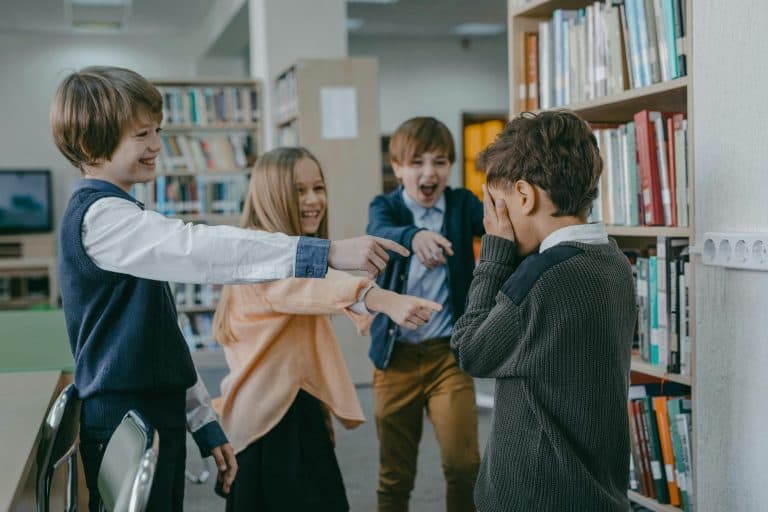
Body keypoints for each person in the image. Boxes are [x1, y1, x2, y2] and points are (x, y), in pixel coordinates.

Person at [50, 66, 408, 512]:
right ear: (91, 143)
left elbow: (161, 337)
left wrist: (202, 420)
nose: (156, 146)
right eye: (142, 134)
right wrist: (326, 251)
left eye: (157, 131)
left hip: (151, 413)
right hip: (126, 417)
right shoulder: (101, 219)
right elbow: (201, 248)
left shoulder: (122, 214)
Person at [211, 146, 442, 511]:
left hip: (293, 408)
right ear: (272, 195)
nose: (314, 200)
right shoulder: (259, 259)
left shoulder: (280, 253)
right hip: (267, 425)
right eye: (299, 190)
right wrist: (384, 300)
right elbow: (312, 287)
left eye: (318, 188)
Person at [450, 110, 636, 511]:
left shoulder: (541, 278)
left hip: (536, 495)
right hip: (596, 490)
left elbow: (469, 349)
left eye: (497, 207)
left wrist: (494, 255)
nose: (495, 221)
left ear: (524, 195)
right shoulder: (614, 261)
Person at [366, 116, 484, 511]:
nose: (428, 173)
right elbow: (379, 230)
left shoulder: (462, 204)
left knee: (464, 465)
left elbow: (500, 230)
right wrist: (414, 236)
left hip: (447, 356)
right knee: (395, 476)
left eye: (439, 162)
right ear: (398, 169)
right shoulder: (387, 206)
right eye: (417, 162)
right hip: (394, 358)